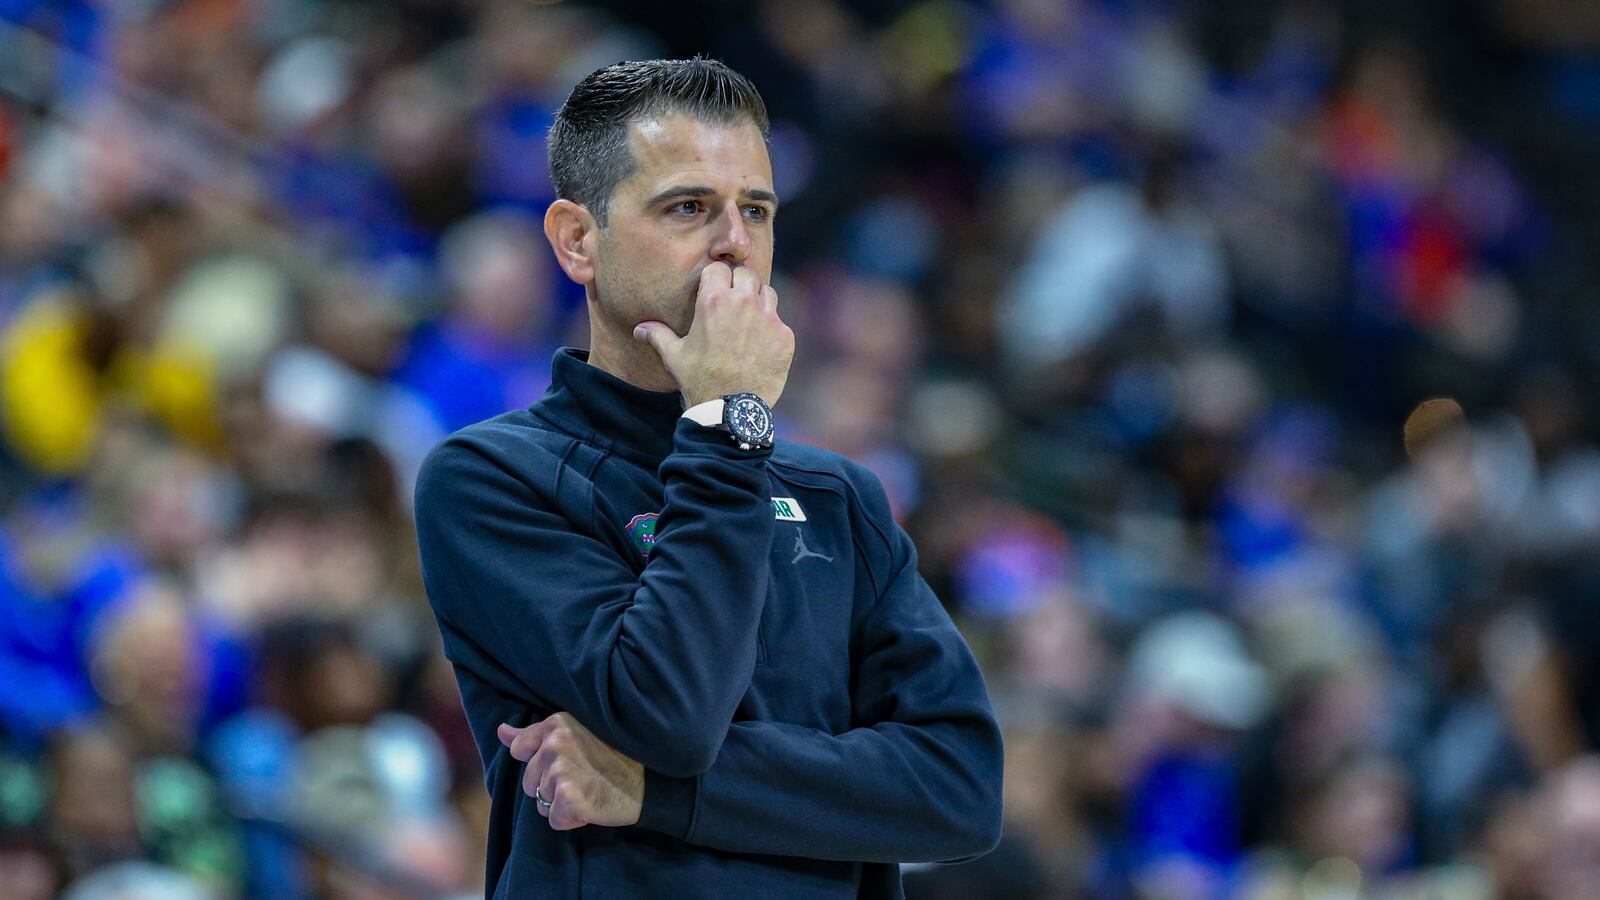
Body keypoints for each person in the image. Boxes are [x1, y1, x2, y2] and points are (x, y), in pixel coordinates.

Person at [412, 58, 1003, 899]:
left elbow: (960, 789)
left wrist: (654, 792)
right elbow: (670, 712)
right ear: (578, 241)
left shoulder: (840, 498)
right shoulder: (491, 479)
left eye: (755, 211)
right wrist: (728, 414)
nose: (734, 242)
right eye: (688, 206)